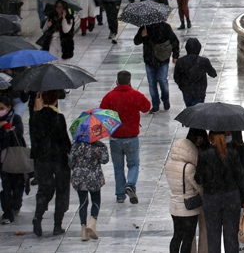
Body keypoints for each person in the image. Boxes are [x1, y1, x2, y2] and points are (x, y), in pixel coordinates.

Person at [99, 70, 151, 204]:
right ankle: (131, 184)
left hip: (115, 137)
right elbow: (146, 108)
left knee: (118, 166)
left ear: (117, 81)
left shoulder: (109, 97)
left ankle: (120, 195)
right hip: (132, 136)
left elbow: (102, 114)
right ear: (130, 81)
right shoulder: (135, 95)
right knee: (133, 164)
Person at [195, 131, 244, 253]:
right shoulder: (233, 154)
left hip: (211, 199)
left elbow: (198, 179)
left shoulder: (205, 155)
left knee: (213, 237)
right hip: (231, 198)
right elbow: (240, 178)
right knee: (231, 237)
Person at [30, 90, 71, 237]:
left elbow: (34, 140)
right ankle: (57, 225)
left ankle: (38, 216)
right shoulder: (58, 118)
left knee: (44, 188)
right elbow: (65, 141)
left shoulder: (35, 118)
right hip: (59, 159)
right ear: (55, 100)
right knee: (62, 190)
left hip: (42, 159)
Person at [68, 128, 109, 241]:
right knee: (96, 200)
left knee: (83, 202)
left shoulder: (76, 146)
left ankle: (83, 231)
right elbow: (105, 160)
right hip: (94, 177)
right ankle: (92, 222)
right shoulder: (98, 146)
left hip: (79, 177)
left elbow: (71, 162)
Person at [166, 138, 204, 253]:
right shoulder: (188, 168)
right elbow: (198, 187)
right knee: (188, 237)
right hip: (188, 208)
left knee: (177, 235)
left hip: (174, 207)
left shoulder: (169, 165)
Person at [134, 21, 180, 113]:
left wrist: (175, 55)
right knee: (152, 83)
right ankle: (155, 104)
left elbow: (174, 41)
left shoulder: (165, 27)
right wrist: (142, 35)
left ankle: (165, 99)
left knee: (162, 80)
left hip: (162, 59)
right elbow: (136, 41)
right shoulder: (144, 28)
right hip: (149, 60)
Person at [0, 95, 26, 225]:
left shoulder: (15, 118)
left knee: (17, 185)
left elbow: (19, 134)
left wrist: (7, 127)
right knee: (5, 187)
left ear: (9, 107)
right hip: (2, 161)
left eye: (1, 108)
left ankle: (16, 204)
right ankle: (7, 213)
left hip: (15, 159)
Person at [173, 38, 217, 107]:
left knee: (189, 110)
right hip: (199, 92)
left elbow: (176, 77)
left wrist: (182, 87)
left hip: (187, 92)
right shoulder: (204, 61)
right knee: (198, 110)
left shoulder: (180, 61)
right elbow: (213, 74)